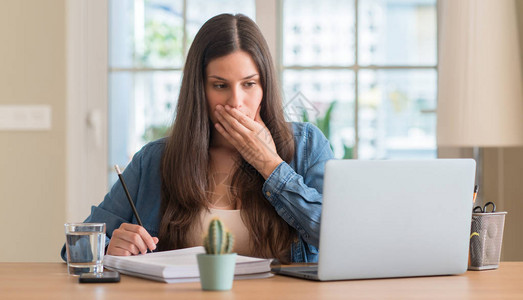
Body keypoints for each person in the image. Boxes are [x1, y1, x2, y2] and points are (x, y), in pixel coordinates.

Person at [61, 13, 334, 263]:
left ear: (265, 86)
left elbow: (337, 239)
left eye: (249, 84)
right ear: (199, 89)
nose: (236, 102)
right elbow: (75, 249)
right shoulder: (156, 159)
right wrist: (110, 249)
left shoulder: (307, 146)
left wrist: (271, 166)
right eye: (220, 85)